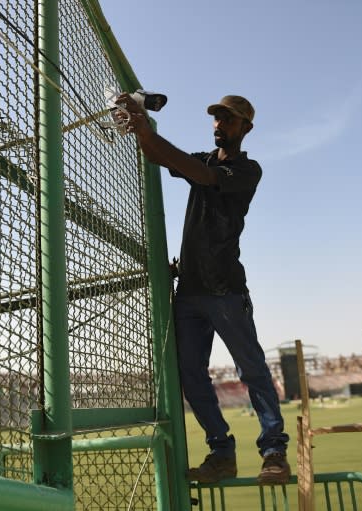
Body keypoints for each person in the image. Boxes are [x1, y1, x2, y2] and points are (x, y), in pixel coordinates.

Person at [116, 92, 290, 485]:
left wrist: (145, 127)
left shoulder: (247, 170)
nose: (218, 125)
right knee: (189, 373)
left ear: (245, 128)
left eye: (227, 120)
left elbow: (200, 175)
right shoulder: (204, 161)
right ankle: (221, 452)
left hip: (226, 289)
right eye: (216, 119)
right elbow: (161, 156)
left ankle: (274, 452)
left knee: (253, 371)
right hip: (191, 291)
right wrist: (139, 128)